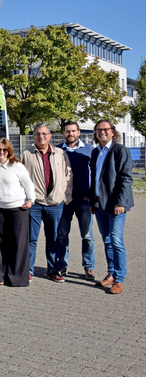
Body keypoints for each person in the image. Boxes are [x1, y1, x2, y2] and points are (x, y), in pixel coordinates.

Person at [20, 123, 72, 283]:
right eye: (37, 134)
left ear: (49, 135)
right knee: (31, 238)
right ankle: (28, 269)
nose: (41, 136)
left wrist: (66, 197)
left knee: (54, 238)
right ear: (33, 136)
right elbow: (19, 179)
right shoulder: (26, 154)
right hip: (34, 204)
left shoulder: (60, 154)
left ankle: (53, 270)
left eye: (44, 133)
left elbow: (68, 176)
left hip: (55, 204)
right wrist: (26, 200)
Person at [0, 138, 35, 287]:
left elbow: (28, 184)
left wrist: (31, 200)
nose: (1, 152)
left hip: (18, 209)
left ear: (9, 151)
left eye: (4, 150)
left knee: (17, 244)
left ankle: (16, 277)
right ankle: (0, 275)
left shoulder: (17, 166)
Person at [90, 119, 133, 295]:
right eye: (99, 130)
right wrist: (93, 202)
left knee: (116, 241)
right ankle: (112, 274)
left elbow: (126, 178)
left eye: (106, 129)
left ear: (113, 132)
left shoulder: (119, 150)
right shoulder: (96, 152)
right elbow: (95, 179)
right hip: (100, 204)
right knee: (107, 241)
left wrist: (121, 202)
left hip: (116, 205)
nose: (102, 132)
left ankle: (120, 279)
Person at [56, 121, 96, 280]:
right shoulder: (58, 150)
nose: (70, 134)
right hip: (65, 200)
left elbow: (96, 174)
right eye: (67, 131)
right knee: (62, 234)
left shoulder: (90, 150)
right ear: (64, 133)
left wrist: (92, 195)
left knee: (87, 235)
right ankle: (62, 265)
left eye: (73, 131)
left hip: (84, 200)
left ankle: (89, 267)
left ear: (78, 132)